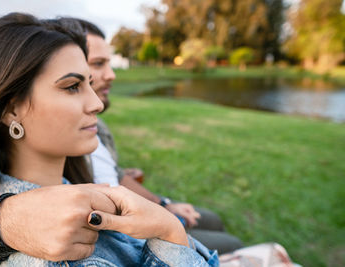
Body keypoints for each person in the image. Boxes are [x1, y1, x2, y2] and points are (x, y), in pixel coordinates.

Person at [0, 12, 218, 266]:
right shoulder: (59, 252)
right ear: (11, 110)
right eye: (72, 87)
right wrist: (170, 232)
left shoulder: (75, 179)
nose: (96, 104)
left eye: (90, 84)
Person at [56, 17, 243, 253]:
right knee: (233, 245)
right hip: (132, 239)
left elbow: (116, 176)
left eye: (109, 63)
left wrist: (165, 205)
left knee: (212, 220)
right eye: (98, 63)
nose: (111, 75)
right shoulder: (61, 139)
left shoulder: (98, 128)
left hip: (138, 223)